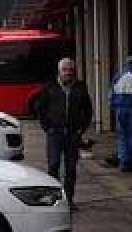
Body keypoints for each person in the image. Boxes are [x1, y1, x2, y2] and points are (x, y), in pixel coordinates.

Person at [32, 57, 93, 209]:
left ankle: (69, 200)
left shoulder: (80, 87)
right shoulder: (49, 87)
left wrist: (81, 128)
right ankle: (54, 198)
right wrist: (47, 127)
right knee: (53, 165)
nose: (68, 73)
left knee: (71, 168)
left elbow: (88, 109)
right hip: (55, 134)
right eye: (65, 70)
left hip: (73, 134)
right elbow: (40, 108)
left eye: (71, 70)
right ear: (59, 71)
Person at [109, 55, 132, 172]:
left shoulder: (118, 75)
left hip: (119, 108)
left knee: (122, 136)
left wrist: (114, 106)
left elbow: (111, 93)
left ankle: (124, 162)